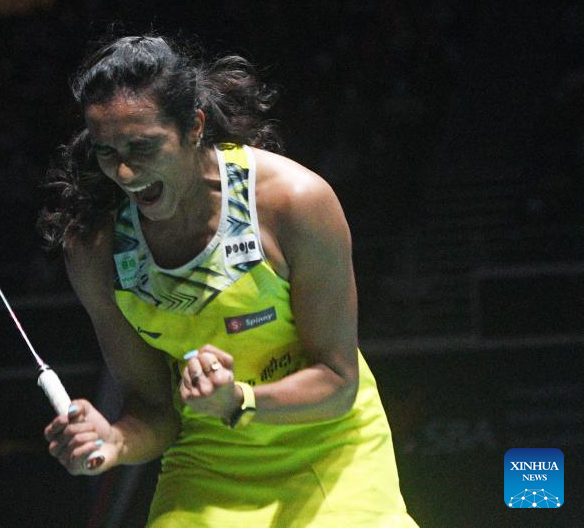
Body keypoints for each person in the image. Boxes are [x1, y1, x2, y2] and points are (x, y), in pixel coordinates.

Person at [39, 35, 416, 526]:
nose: (126, 172)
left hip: (328, 450)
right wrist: (116, 440)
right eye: (107, 151)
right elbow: (154, 407)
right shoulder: (96, 249)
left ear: (194, 126)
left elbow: (338, 380)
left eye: (143, 146)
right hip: (208, 464)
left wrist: (238, 400)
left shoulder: (293, 204)